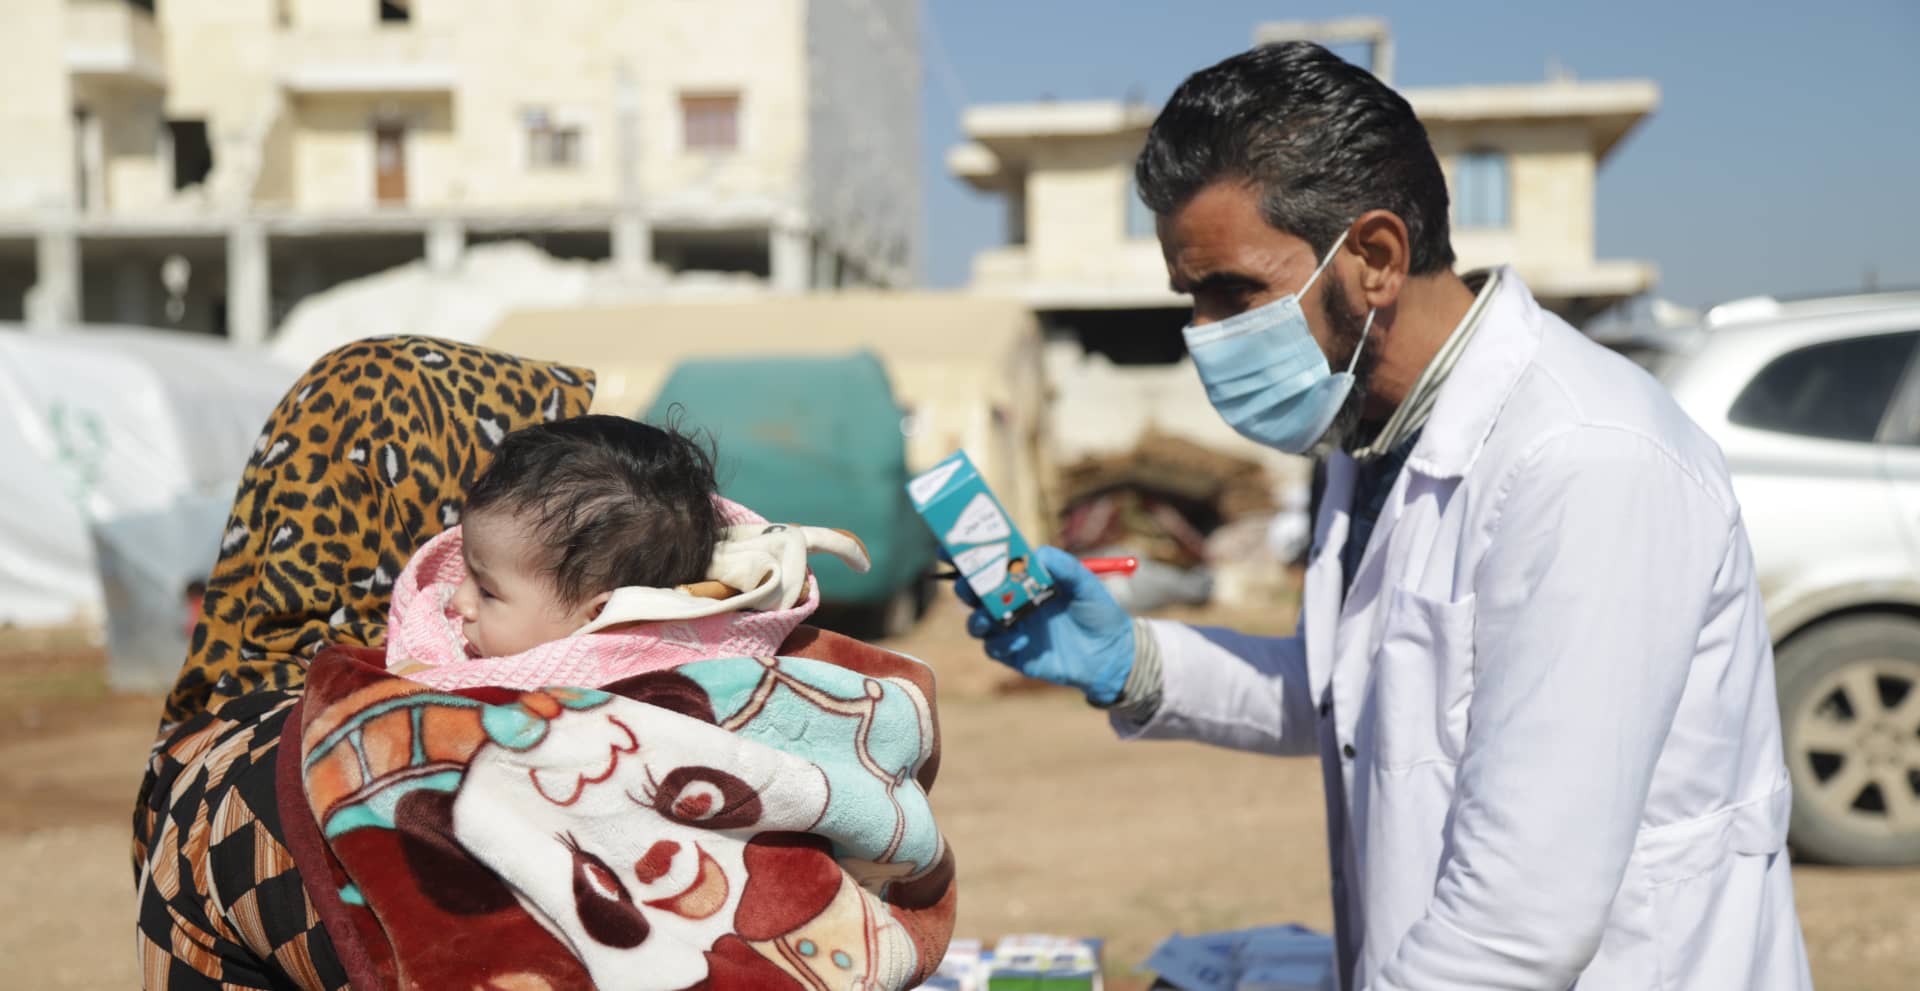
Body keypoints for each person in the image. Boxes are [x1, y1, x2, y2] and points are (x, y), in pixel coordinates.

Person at [960, 43, 1811, 990]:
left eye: (1233, 292)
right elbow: (1368, 697)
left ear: (1374, 257)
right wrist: (1131, 660)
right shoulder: (1372, 432)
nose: (1203, 336)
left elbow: (1517, 926)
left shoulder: (1584, 462)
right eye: (1189, 298)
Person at [382, 413, 873, 689]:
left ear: (598, 616)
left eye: (487, 592)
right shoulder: (461, 640)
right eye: (468, 573)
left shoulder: (671, 689)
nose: (456, 602)